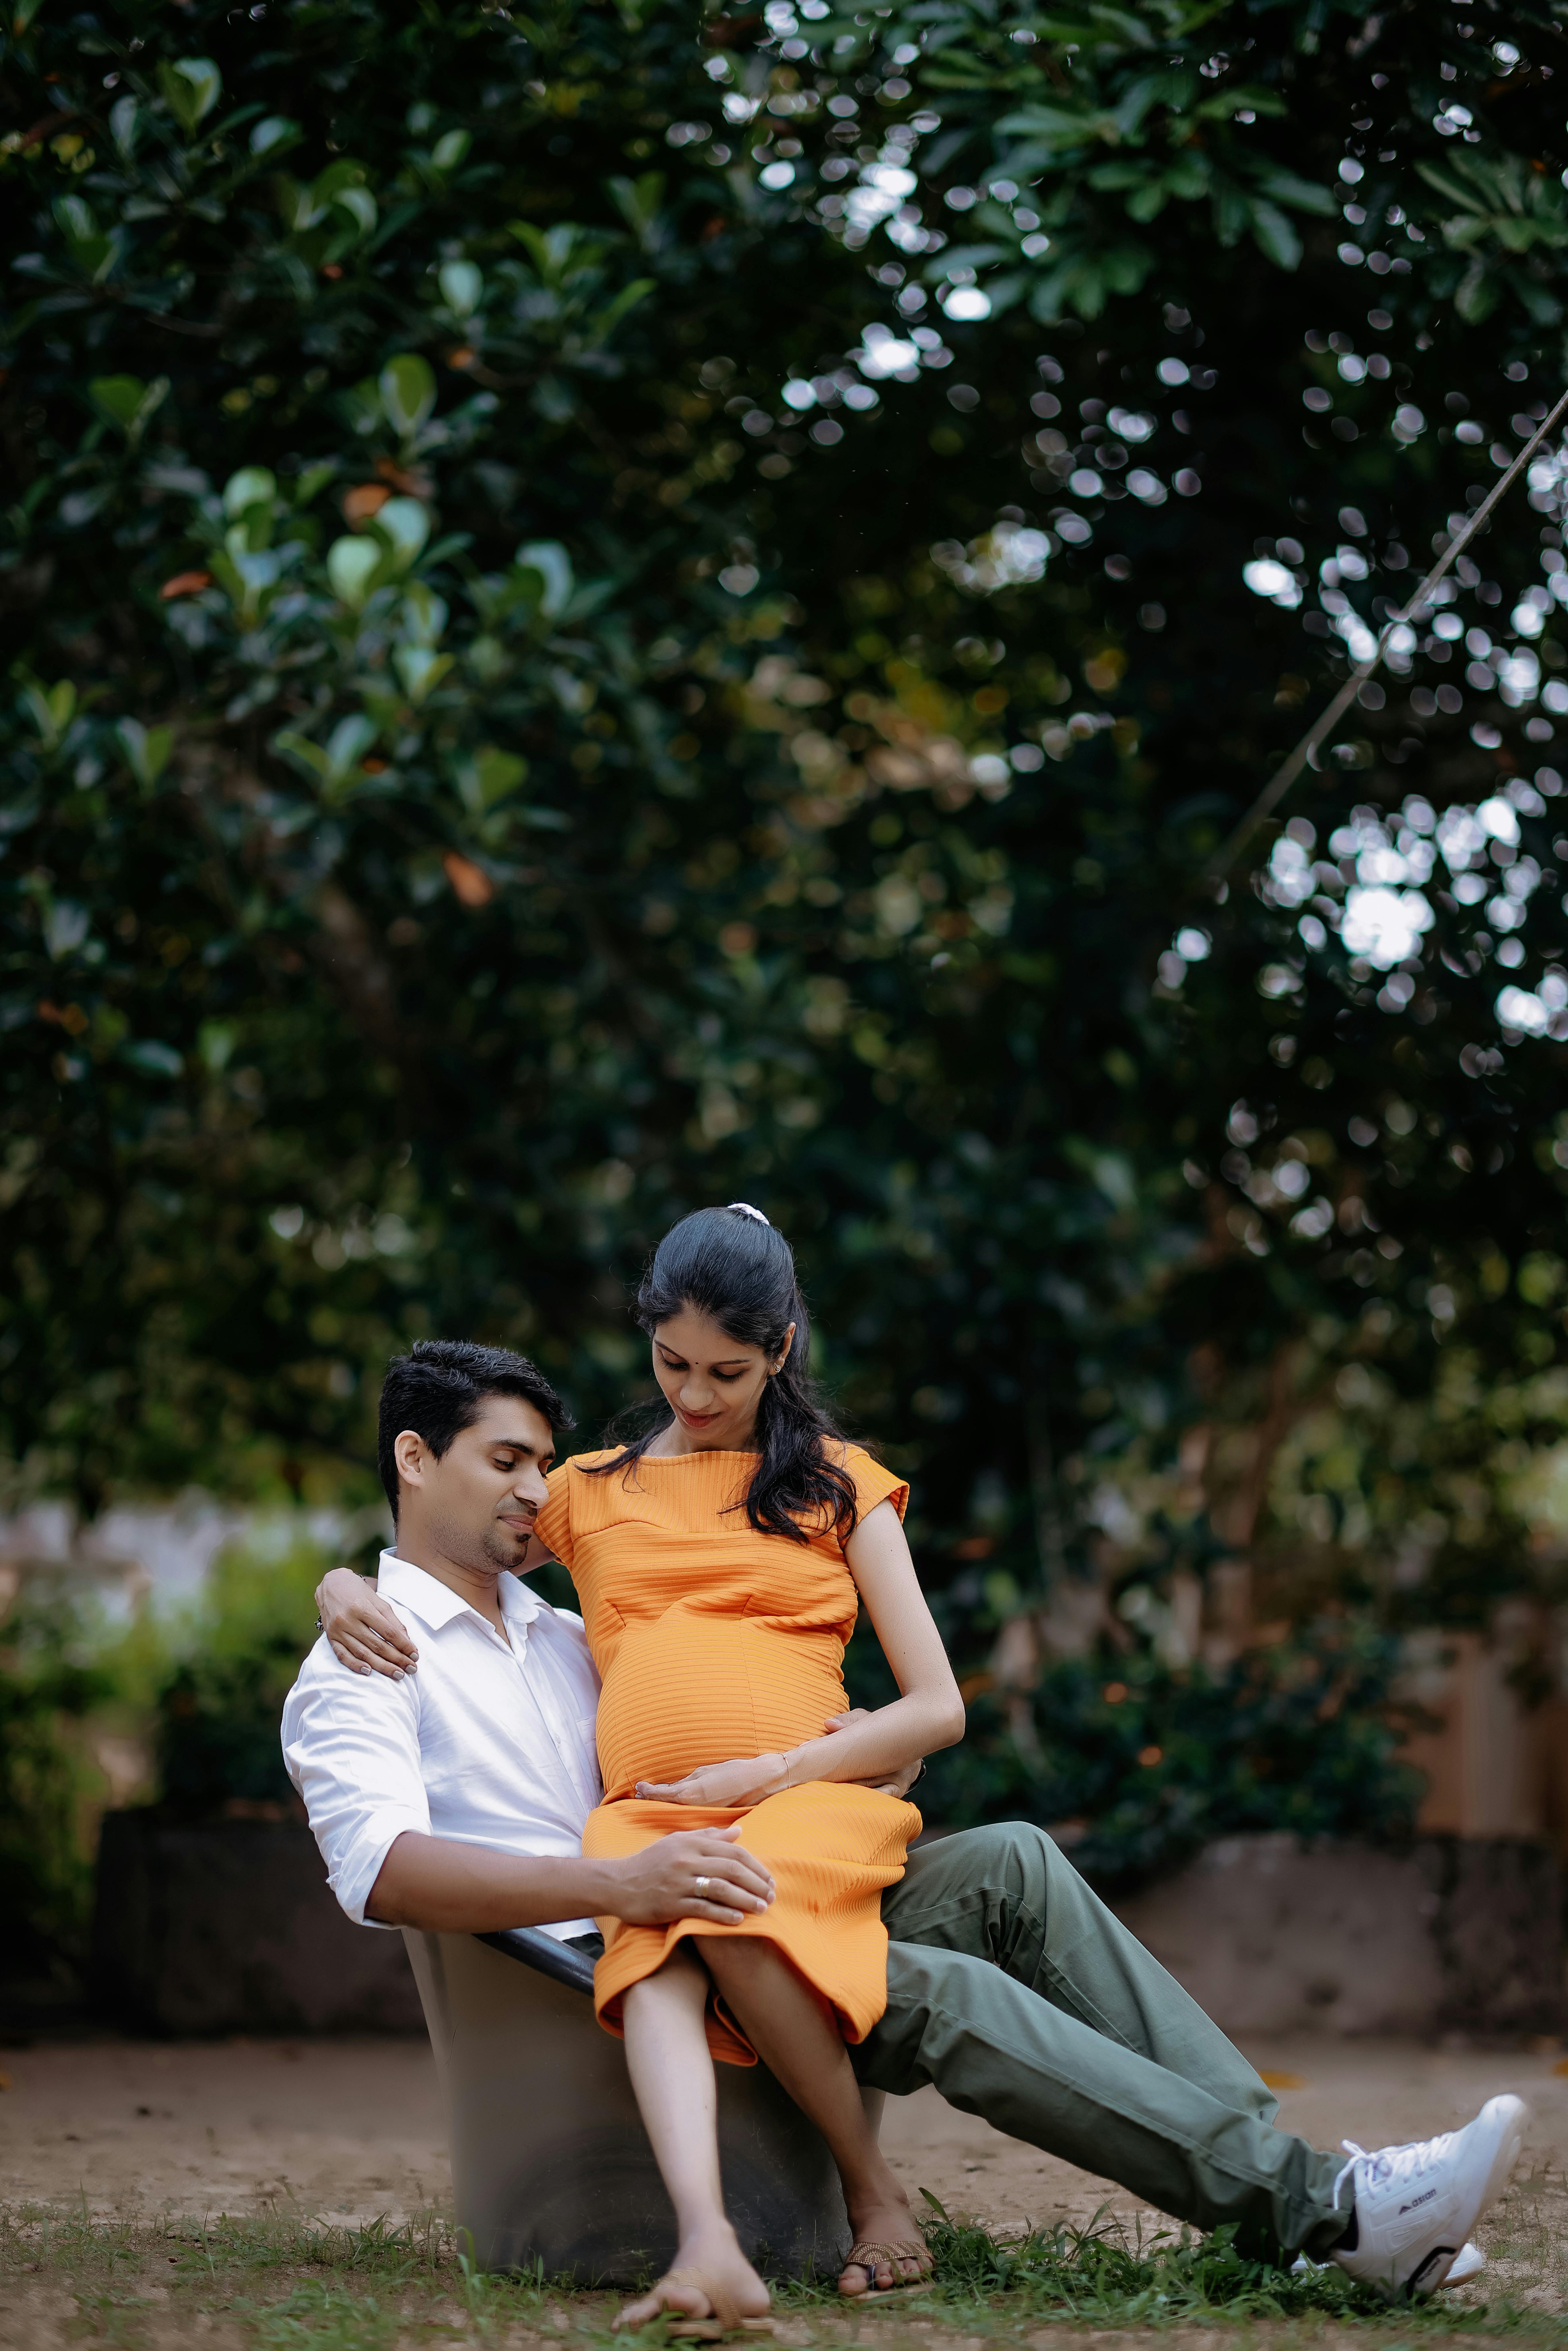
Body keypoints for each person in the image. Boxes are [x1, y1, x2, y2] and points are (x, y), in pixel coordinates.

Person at [289, 1326, 1526, 2323]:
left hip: (735, 1876)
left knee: (1012, 1862)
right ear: (413, 1459)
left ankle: (1285, 2192)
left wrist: (822, 1761)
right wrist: (625, 1880)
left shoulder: (552, 1630)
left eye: (537, 1462)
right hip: (624, 1951)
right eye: (504, 1460)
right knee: (933, 1990)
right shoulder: (358, 1667)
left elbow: (692, 1679)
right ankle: (1333, 2210)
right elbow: (385, 1871)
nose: (534, 1487)